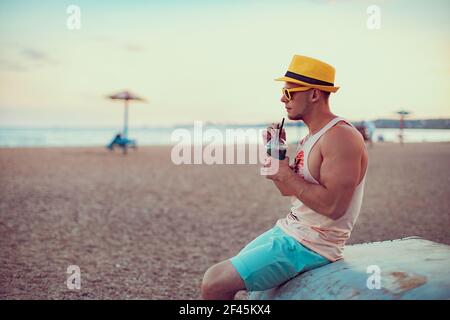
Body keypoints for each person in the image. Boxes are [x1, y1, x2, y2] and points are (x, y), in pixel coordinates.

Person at [201, 55, 368, 300]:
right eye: (283, 91)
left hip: (313, 244)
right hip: (291, 229)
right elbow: (288, 191)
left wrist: (286, 175)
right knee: (233, 283)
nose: (282, 98)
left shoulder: (340, 136)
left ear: (314, 94)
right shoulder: (309, 137)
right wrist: (275, 154)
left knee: (213, 283)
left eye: (289, 93)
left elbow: (334, 208)